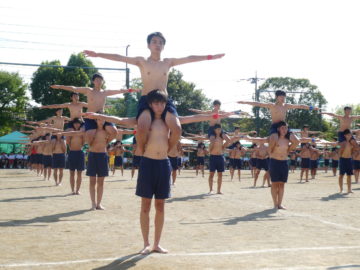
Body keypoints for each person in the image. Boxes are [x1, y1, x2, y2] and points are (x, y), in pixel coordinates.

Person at [84, 32, 225, 157]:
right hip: (147, 99)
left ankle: (169, 149)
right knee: (143, 125)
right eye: (154, 42)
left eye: (161, 43)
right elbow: (119, 57)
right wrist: (97, 54)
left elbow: (189, 58)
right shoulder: (142, 61)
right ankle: (140, 149)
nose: (158, 44)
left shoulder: (168, 62)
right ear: (148, 45)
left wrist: (209, 57)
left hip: (164, 100)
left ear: (163, 46)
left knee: (177, 128)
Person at [50, 73, 137, 145]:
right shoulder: (89, 90)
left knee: (114, 132)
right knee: (90, 135)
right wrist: (59, 86)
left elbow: (119, 90)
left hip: (102, 116)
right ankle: (91, 148)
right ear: (93, 81)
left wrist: (130, 90)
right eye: (97, 80)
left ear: (102, 82)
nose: (99, 82)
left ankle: (105, 144)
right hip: (90, 117)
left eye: (100, 80)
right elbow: (74, 88)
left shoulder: (105, 92)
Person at [238, 90, 318, 146]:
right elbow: (258, 103)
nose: (283, 98)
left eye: (284, 97)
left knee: (296, 141)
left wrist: (311, 107)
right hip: (275, 126)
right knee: (274, 139)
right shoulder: (272, 105)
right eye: (281, 97)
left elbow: (300, 106)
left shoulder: (286, 105)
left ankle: (287, 151)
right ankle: (270, 153)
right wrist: (245, 102)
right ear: (277, 97)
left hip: (284, 126)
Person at [208, 124, 240, 194]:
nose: (219, 131)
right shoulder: (212, 137)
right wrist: (210, 150)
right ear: (215, 130)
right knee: (211, 174)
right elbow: (209, 147)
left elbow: (229, 141)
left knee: (220, 174)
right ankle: (211, 190)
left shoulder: (221, 138)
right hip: (213, 157)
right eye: (218, 129)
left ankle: (219, 190)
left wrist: (223, 146)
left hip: (220, 157)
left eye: (220, 129)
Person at [57, 118, 86, 194]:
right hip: (72, 152)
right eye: (75, 123)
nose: (76, 124)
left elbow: (83, 142)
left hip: (80, 153)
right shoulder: (70, 132)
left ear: (80, 124)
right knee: (72, 173)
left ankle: (77, 190)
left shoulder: (82, 132)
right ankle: (73, 190)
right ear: (73, 124)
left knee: (79, 173)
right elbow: (68, 142)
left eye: (78, 123)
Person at [338, 129, 357, 193]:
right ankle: (341, 189)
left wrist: (352, 155)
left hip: (349, 159)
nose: (350, 136)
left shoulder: (351, 143)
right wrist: (341, 157)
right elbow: (340, 151)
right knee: (341, 175)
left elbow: (353, 151)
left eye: (351, 135)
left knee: (349, 175)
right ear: (345, 135)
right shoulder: (343, 143)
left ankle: (349, 189)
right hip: (343, 159)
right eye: (348, 135)